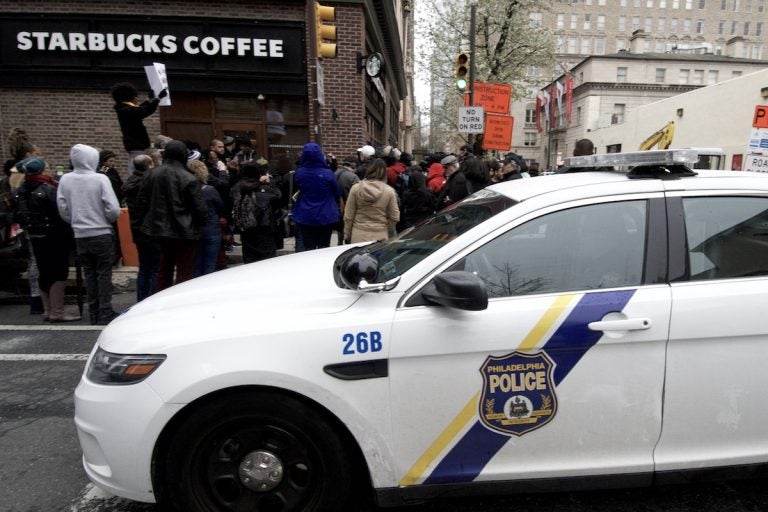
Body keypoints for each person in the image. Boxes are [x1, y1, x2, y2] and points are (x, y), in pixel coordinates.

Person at [57, 144, 121, 325]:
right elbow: (113, 209)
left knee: (89, 274)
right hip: (101, 231)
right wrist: (106, 219)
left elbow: (62, 208)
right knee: (103, 274)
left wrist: (75, 221)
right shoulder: (100, 179)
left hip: (80, 233)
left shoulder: (66, 180)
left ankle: (93, 312)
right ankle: (105, 311)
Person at [13, 157, 81, 322]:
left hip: (35, 236)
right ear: (41, 171)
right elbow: (61, 212)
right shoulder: (48, 189)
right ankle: (57, 312)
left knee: (43, 271)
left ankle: (47, 309)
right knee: (58, 271)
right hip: (54, 236)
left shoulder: (22, 190)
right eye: (48, 167)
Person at [137, 140, 208, 291]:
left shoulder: (151, 175)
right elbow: (200, 209)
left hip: (158, 230)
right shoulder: (189, 178)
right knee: (184, 270)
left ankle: (160, 298)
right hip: (185, 231)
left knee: (163, 268)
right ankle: (179, 299)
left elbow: (141, 203)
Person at [122, 154, 160, 302]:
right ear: (149, 165)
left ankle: (141, 298)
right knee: (155, 267)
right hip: (151, 228)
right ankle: (152, 299)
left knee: (144, 267)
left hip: (137, 229)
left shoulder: (130, 182)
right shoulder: (149, 182)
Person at [291, 142, 341, 251]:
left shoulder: (299, 173)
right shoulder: (328, 173)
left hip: (305, 214)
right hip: (325, 214)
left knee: (309, 247)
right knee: (324, 246)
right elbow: (336, 193)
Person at [231, 160, 282, 262]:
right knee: (267, 261)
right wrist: (271, 184)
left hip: (246, 229)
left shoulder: (236, 188)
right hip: (264, 228)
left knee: (250, 259)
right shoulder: (265, 188)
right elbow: (278, 198)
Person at [110, 82, 166, 175]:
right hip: (136, 145)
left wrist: (149, 99)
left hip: (135, 145)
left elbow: (139, 109)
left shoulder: (124, 109)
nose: (136, 98)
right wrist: (158, 98)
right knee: (137, 168)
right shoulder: (126, 110)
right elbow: (144, 111)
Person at [343, 158, 399, 244]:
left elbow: (348, 215)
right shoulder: (389, 191)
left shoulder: (356, 188)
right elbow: (395, 216)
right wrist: (387, 228)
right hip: (380, 235)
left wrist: (347, 233)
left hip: (359, 234)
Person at [188, 160, 226, 276]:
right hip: (211, 229)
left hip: (193, 229)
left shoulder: (186, 190)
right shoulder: (209, 190)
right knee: (210, 263)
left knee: (196, 264)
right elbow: (220, 207)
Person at [400, 165, 436, 230]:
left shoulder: (406, 194)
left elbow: (403, 208)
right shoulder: (427, 193)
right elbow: (433, 205)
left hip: (410, 222)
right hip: (425, 221)